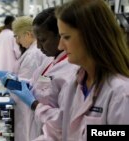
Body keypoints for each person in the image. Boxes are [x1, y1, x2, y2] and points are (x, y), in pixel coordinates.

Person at [32, 0, 129, 140]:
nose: (60, 46)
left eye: (66, 37)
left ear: (90, 36)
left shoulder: (120, 93)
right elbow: (58, 134)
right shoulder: (75, 85)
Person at [0, 8, 78, 141]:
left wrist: (34, 104)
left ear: (60, 36)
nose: (38, 46)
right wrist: (24, 83)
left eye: (43, 40)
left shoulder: (70, 70)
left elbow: (64, 121)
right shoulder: (51, 61)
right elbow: (41, 82)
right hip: (40, 129)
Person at [9, 16, 50, 141]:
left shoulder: (33, 54)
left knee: (28, 134)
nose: (17, 41)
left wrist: (11, 82)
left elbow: (26, 85)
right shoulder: (32, 52)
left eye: (18, 36)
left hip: (29, 107)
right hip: (30, 106)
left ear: (28, 34)